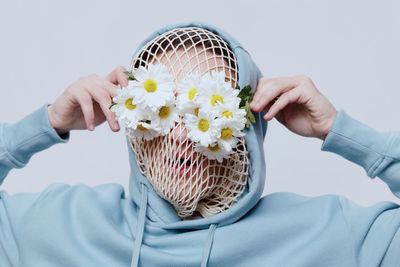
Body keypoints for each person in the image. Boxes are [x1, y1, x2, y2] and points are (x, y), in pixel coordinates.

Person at [0, 22, 398, 267]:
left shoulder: (329, 234)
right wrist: (45, 123)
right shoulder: (56, 223)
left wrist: (341, 131)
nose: (180, 135)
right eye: (162, 110)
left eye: (203, 110)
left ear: (248, 123)